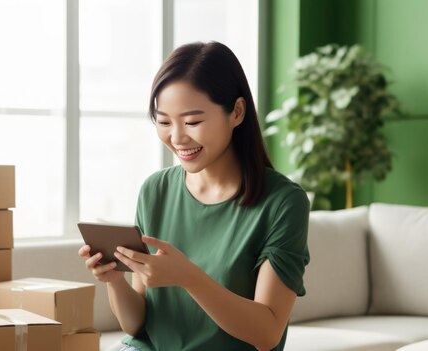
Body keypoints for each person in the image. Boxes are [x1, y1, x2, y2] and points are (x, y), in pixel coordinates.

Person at [78, 41, 310, 351]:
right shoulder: (155, 190)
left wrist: (189, 277)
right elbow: (136, 325)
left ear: (237, 112)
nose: (176, 138)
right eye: (163, 122)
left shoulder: (282, 202)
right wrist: (114, 280)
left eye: (192, 122)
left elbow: (267, 333)